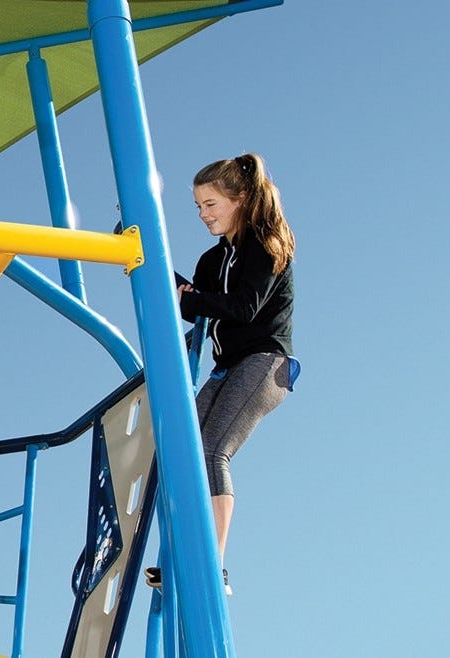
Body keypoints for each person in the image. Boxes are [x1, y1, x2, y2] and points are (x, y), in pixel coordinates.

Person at [161, 153, 298, 592]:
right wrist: (165, 275)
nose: (203, 215)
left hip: (264, 363)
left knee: (213, 450)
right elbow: (194, 305)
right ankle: (182, 556)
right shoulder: (210, 261)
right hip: (226, 367)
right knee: (183, 452)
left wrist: (194, 299)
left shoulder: (264, 245)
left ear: (239, 199)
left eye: (211, 205)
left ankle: (212, 565)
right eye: (198, 207)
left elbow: (242, 308)